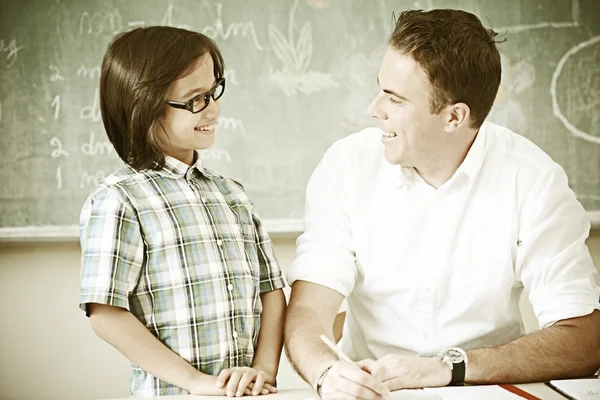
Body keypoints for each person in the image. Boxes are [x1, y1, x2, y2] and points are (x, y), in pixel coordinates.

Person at [284, 9, 600, 400]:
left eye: (394, 99)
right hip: (369, 393)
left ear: (454, 117)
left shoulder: (533, 179)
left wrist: (446, 368)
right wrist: (327, 372)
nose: (373, 108)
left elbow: (582, 341)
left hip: (486, 390)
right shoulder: (345, 166)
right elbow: (308, 313)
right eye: (379, 87)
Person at [79, 26, 286, 397]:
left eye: (214, 92)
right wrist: (197, 382)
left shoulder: (232, 195)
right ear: (144, 106)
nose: (215, 108)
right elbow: (106, 313)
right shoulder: (119, 199)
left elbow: (271, 291)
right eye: (196, 99)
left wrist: (263, 371)